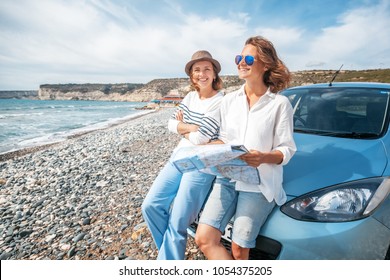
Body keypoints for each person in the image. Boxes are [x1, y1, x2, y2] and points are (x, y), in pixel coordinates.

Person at [195, 36, 297, 260]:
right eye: (239, 57)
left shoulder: (280, 104)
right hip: (228, 177)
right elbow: (223, 138)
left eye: (248, 58)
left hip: (260, 183)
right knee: (204, 238)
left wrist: (263, 157)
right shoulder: (229, 101)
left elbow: (287, 150)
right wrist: (208, 150)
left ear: (266, 64)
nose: (241, 62)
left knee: (240, 250)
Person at [141, 50, 224, 260]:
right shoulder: (189, 97)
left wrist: (183, 127)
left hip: (202, 165)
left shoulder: (220, 101)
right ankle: (168, 259)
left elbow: (201, 138)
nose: (202, 74)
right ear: (191, 75)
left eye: (207, 69)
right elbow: (170, 124)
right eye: (197, 70)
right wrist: (190, 127)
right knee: (150, 205)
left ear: (214, 74)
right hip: (178, 157)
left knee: (178, 221)